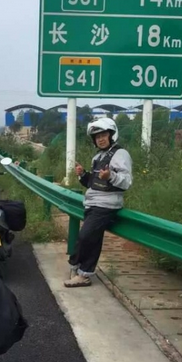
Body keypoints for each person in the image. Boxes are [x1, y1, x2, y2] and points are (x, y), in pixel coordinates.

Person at [64, 117, 133, 288]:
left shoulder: (120, 154)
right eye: (97, 137)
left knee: (85, 236)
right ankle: (82, 271)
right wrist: (83, 174)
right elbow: (93, 183)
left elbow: (126, 181)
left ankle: (80, 270)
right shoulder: (98, 156)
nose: (100, 139)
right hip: (93, 203)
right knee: (92, 239)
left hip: (106, 205)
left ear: (111, 135)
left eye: (103, 135)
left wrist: (111, 176)